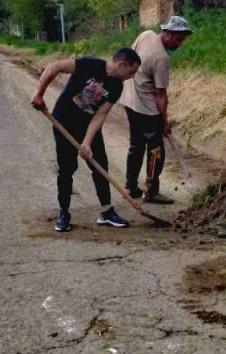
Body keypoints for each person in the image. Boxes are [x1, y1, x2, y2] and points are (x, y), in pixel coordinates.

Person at [30, 48, 142, 232]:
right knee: (67, 169)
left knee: (100, 166)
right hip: (63, 123)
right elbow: (55, 66)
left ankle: (106, 212)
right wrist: (39, 93)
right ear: (122, 65)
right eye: (131, 72)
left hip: (88, 126)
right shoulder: (90, 65)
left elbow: (101, 114)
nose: (131, 76)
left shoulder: (117, 86)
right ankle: (64, 212)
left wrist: (87, 142)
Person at [120, 16, 194, 204]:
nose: (180, 44)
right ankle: (151, 191)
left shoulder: (146, 35)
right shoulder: (162, 58)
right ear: (168, 33)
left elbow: (130, 57)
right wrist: (164, 123)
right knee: (156, 150)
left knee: (136, 145)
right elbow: (160, 95)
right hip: (146, 107)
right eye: (178, 39)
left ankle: (130, 187)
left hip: (129, 99)